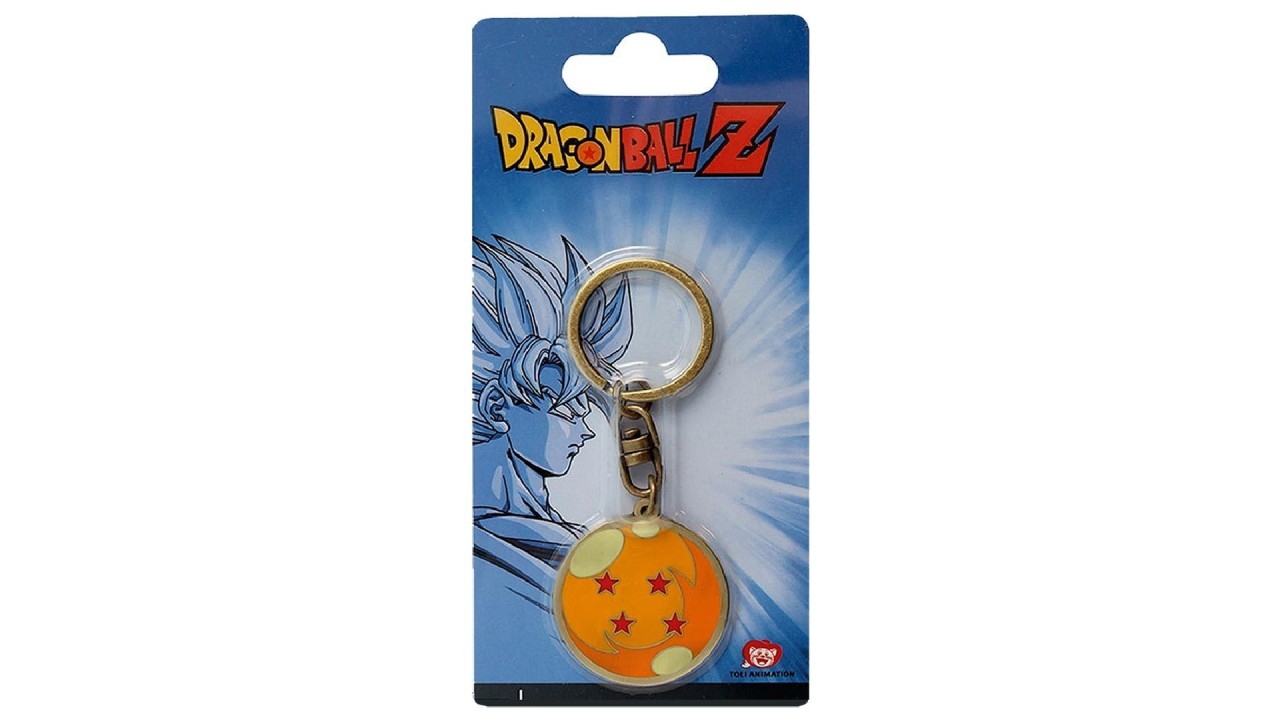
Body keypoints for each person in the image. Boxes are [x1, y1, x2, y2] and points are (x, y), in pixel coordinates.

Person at [471, 235, 631, 680]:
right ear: (498, 408)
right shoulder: (486, 548)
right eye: (566, 410)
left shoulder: (554, 538)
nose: (587, 429)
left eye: (585, 408)